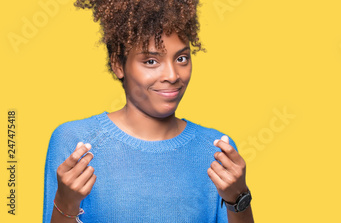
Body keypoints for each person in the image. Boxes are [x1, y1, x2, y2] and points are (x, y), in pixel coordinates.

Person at [42, 0, 254, 222]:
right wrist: (66, 204)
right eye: (151, 61)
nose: (172, 75)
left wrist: (238, 198)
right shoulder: (76, 143)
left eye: (181, 58)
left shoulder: (216, 149)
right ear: (118, 64)